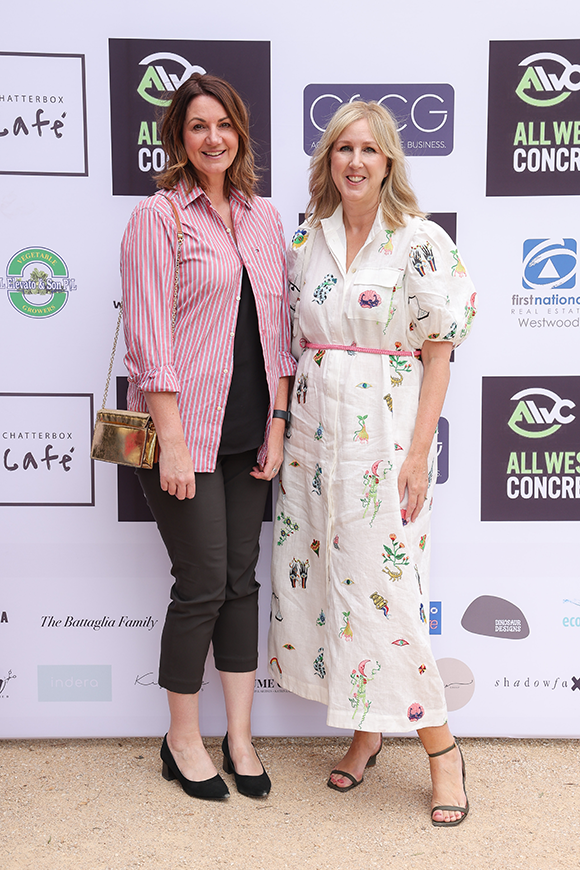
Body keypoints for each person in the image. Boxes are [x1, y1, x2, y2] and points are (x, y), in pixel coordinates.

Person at [268, 100, 476, 826]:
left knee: (386, 594)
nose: (355, 162)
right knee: (330, 590)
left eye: (369, 150)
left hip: (384, 444)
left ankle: (442, 750)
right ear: (328, 160)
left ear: (389, 161)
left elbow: (439, 356)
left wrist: (418, 456)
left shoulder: (419, 240)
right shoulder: (306, 239)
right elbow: (290, 344)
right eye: (342, 149)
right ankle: (365, 732)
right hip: (311, 444)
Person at [121, 73, 295, 801]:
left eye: (224, 125)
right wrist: (172, 441)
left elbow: (280, 334)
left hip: (251, 431)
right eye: (198, 126)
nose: (213, 138)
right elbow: (148, 339)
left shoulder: (265, 218)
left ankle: (241, 737)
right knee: (201, 584)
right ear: (178, 138)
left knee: (240, 582)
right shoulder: (157, 217)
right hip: (182, 433)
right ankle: (182, 738)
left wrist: (278, 424)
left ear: (240, 134)